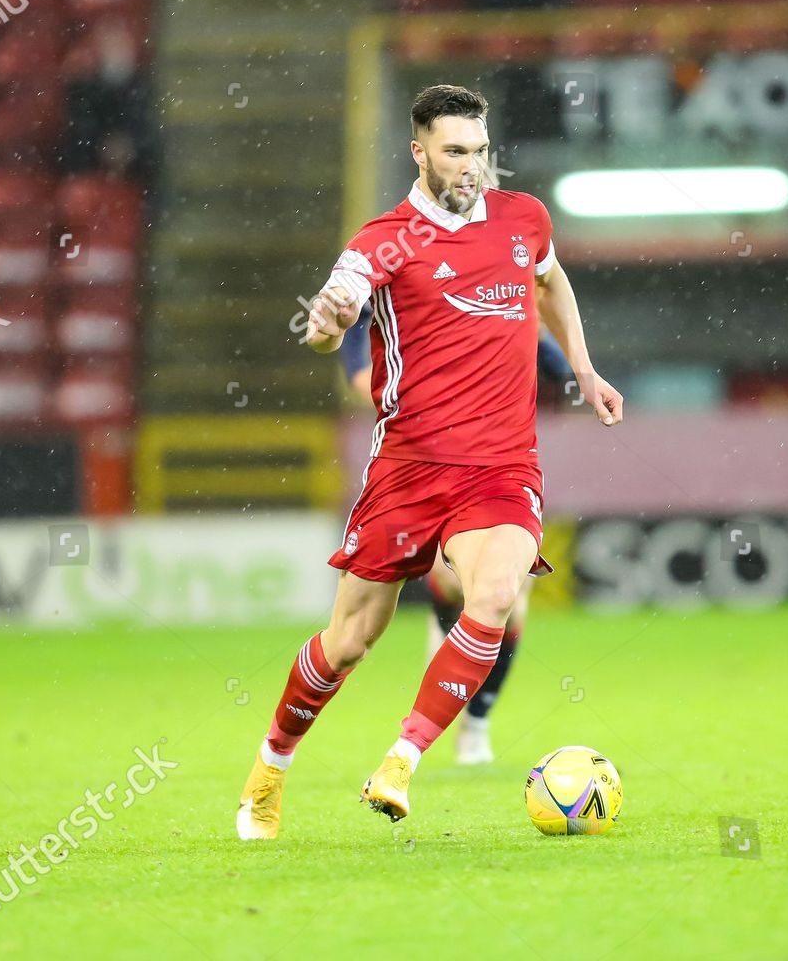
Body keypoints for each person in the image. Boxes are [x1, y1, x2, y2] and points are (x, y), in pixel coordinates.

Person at [236, 84, 623, 839]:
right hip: (409, 468)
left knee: (497, 592)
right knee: (349, 641)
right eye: (454, 152)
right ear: (419, 152)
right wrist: (326, 324)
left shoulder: (524, 219)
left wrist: (582, 365)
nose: (472, 166)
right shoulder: (382, 239)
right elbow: (332, 318)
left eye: (480, 151)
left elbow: (550, 279)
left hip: (501, 467)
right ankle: (270, 767)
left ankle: (402, 760)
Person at [335, 320, 577, 765]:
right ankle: (444, 632)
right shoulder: (380, 306)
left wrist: (560, 359)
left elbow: (555, 365)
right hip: (429, 473)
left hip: (501, 467)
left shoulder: (492, 291)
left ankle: (477, 723)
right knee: (454, 590)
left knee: (512, 594)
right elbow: (358, 376)